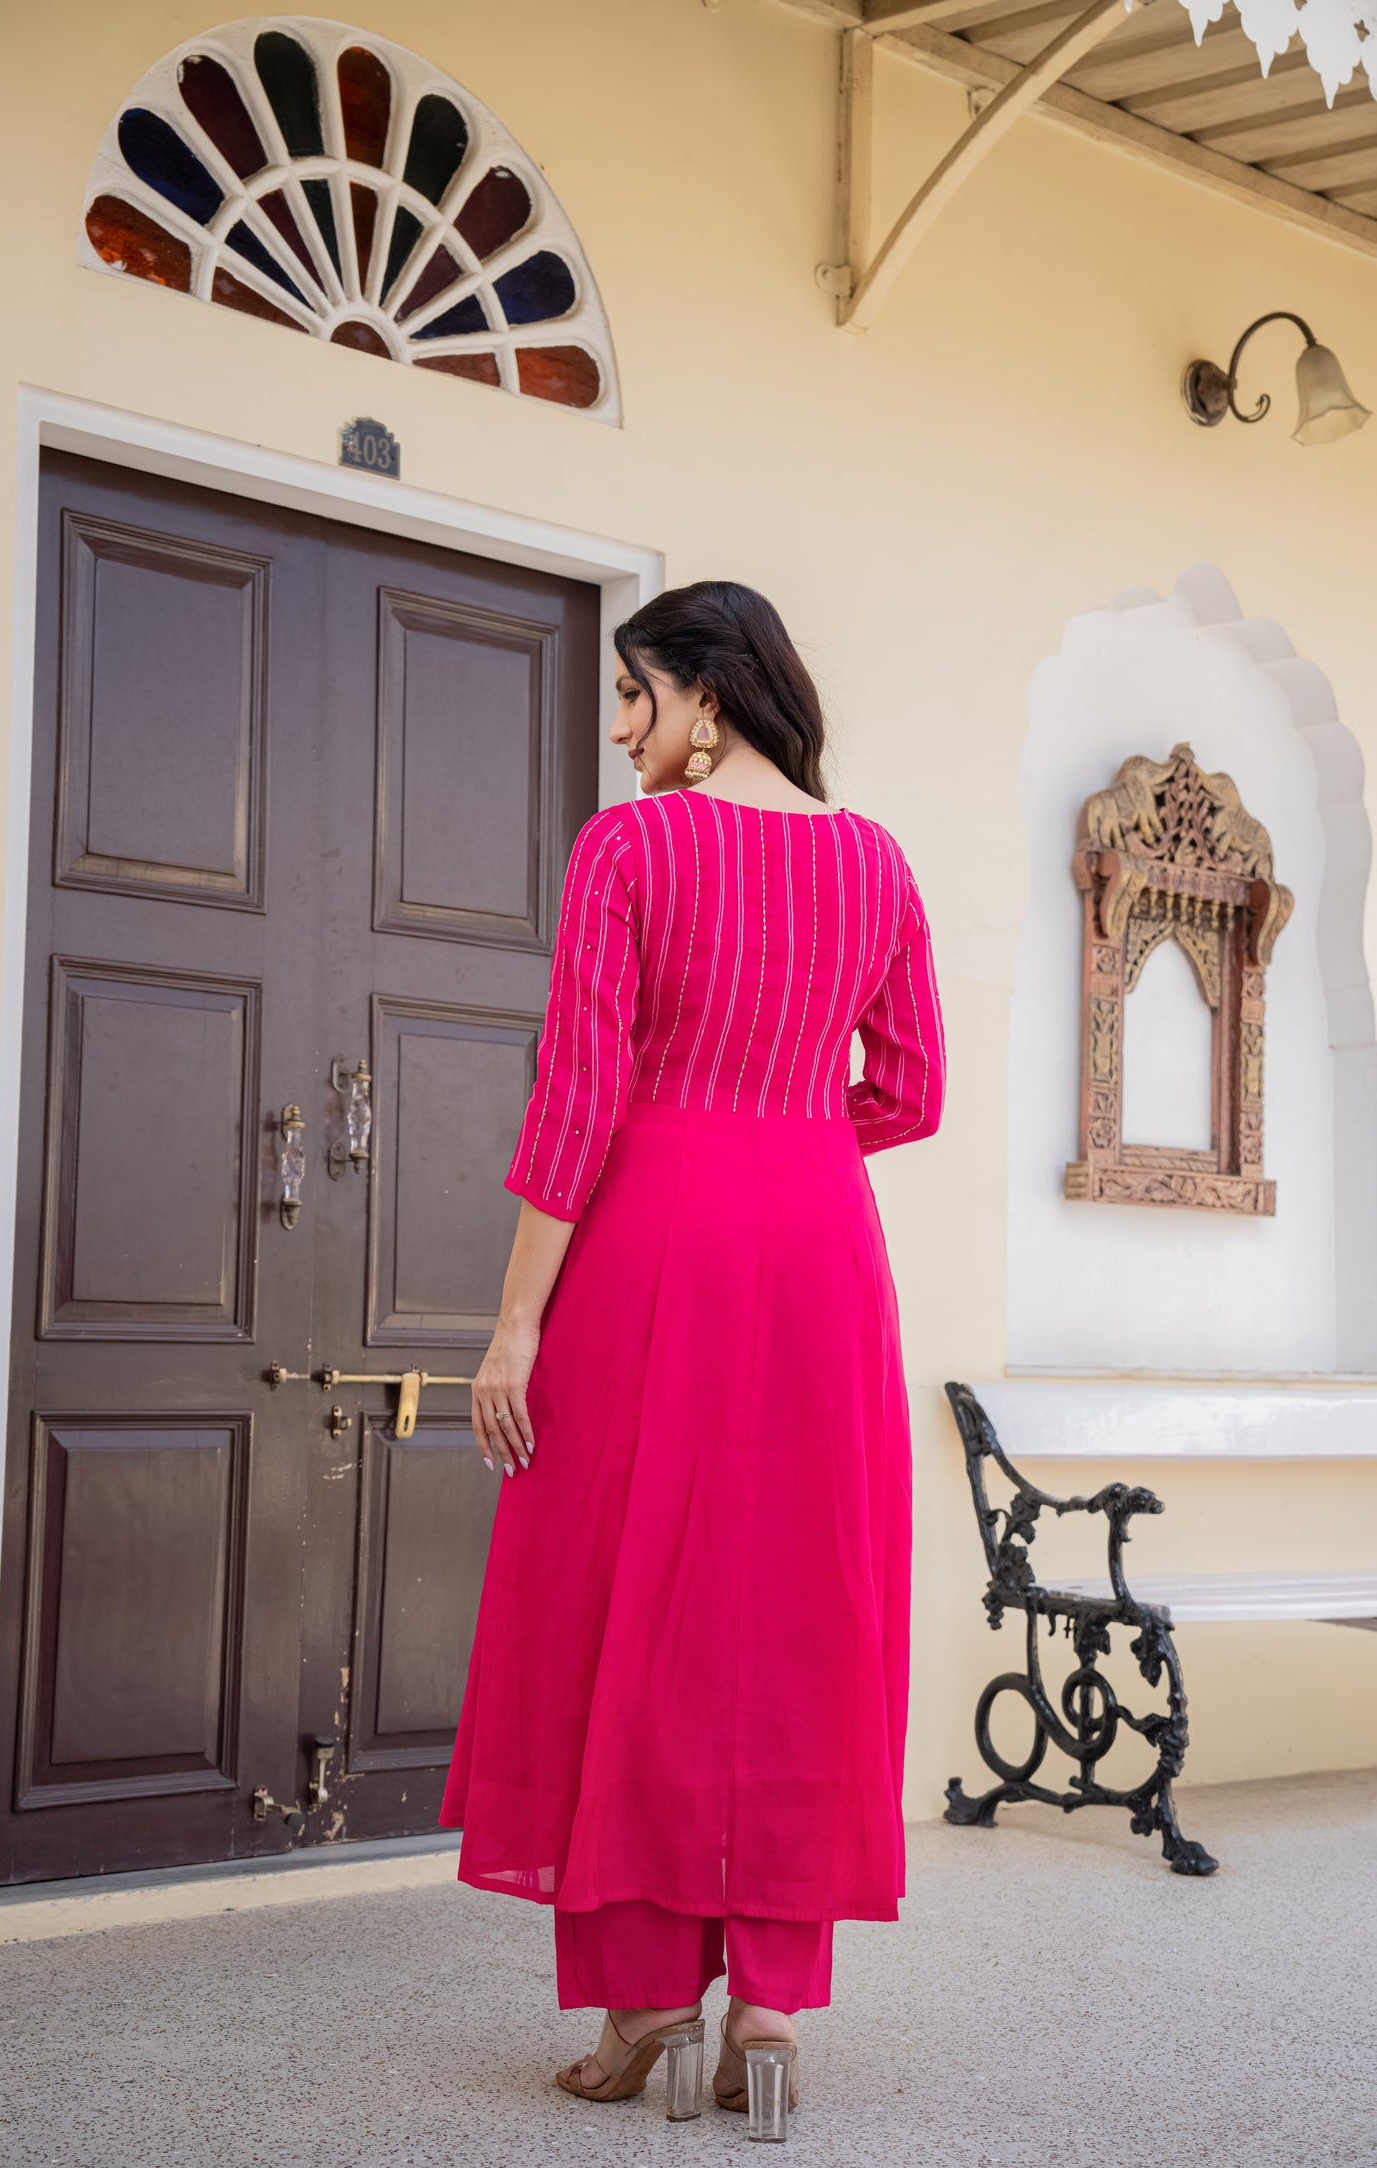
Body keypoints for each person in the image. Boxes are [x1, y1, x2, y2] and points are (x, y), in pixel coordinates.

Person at [439, 579, 947, 2122]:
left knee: (623, 1596)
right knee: (797, 1603)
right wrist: (787, 1138)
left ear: (705, 695)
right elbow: (909, 1091)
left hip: (646, 1242)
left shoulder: (633, 848)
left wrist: (512, 1325)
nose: (621, 727)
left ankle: (647, 2000)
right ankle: (770, 2011)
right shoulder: (877, 862)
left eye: (633, 692)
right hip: (817, 1253)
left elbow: (578, 1100)